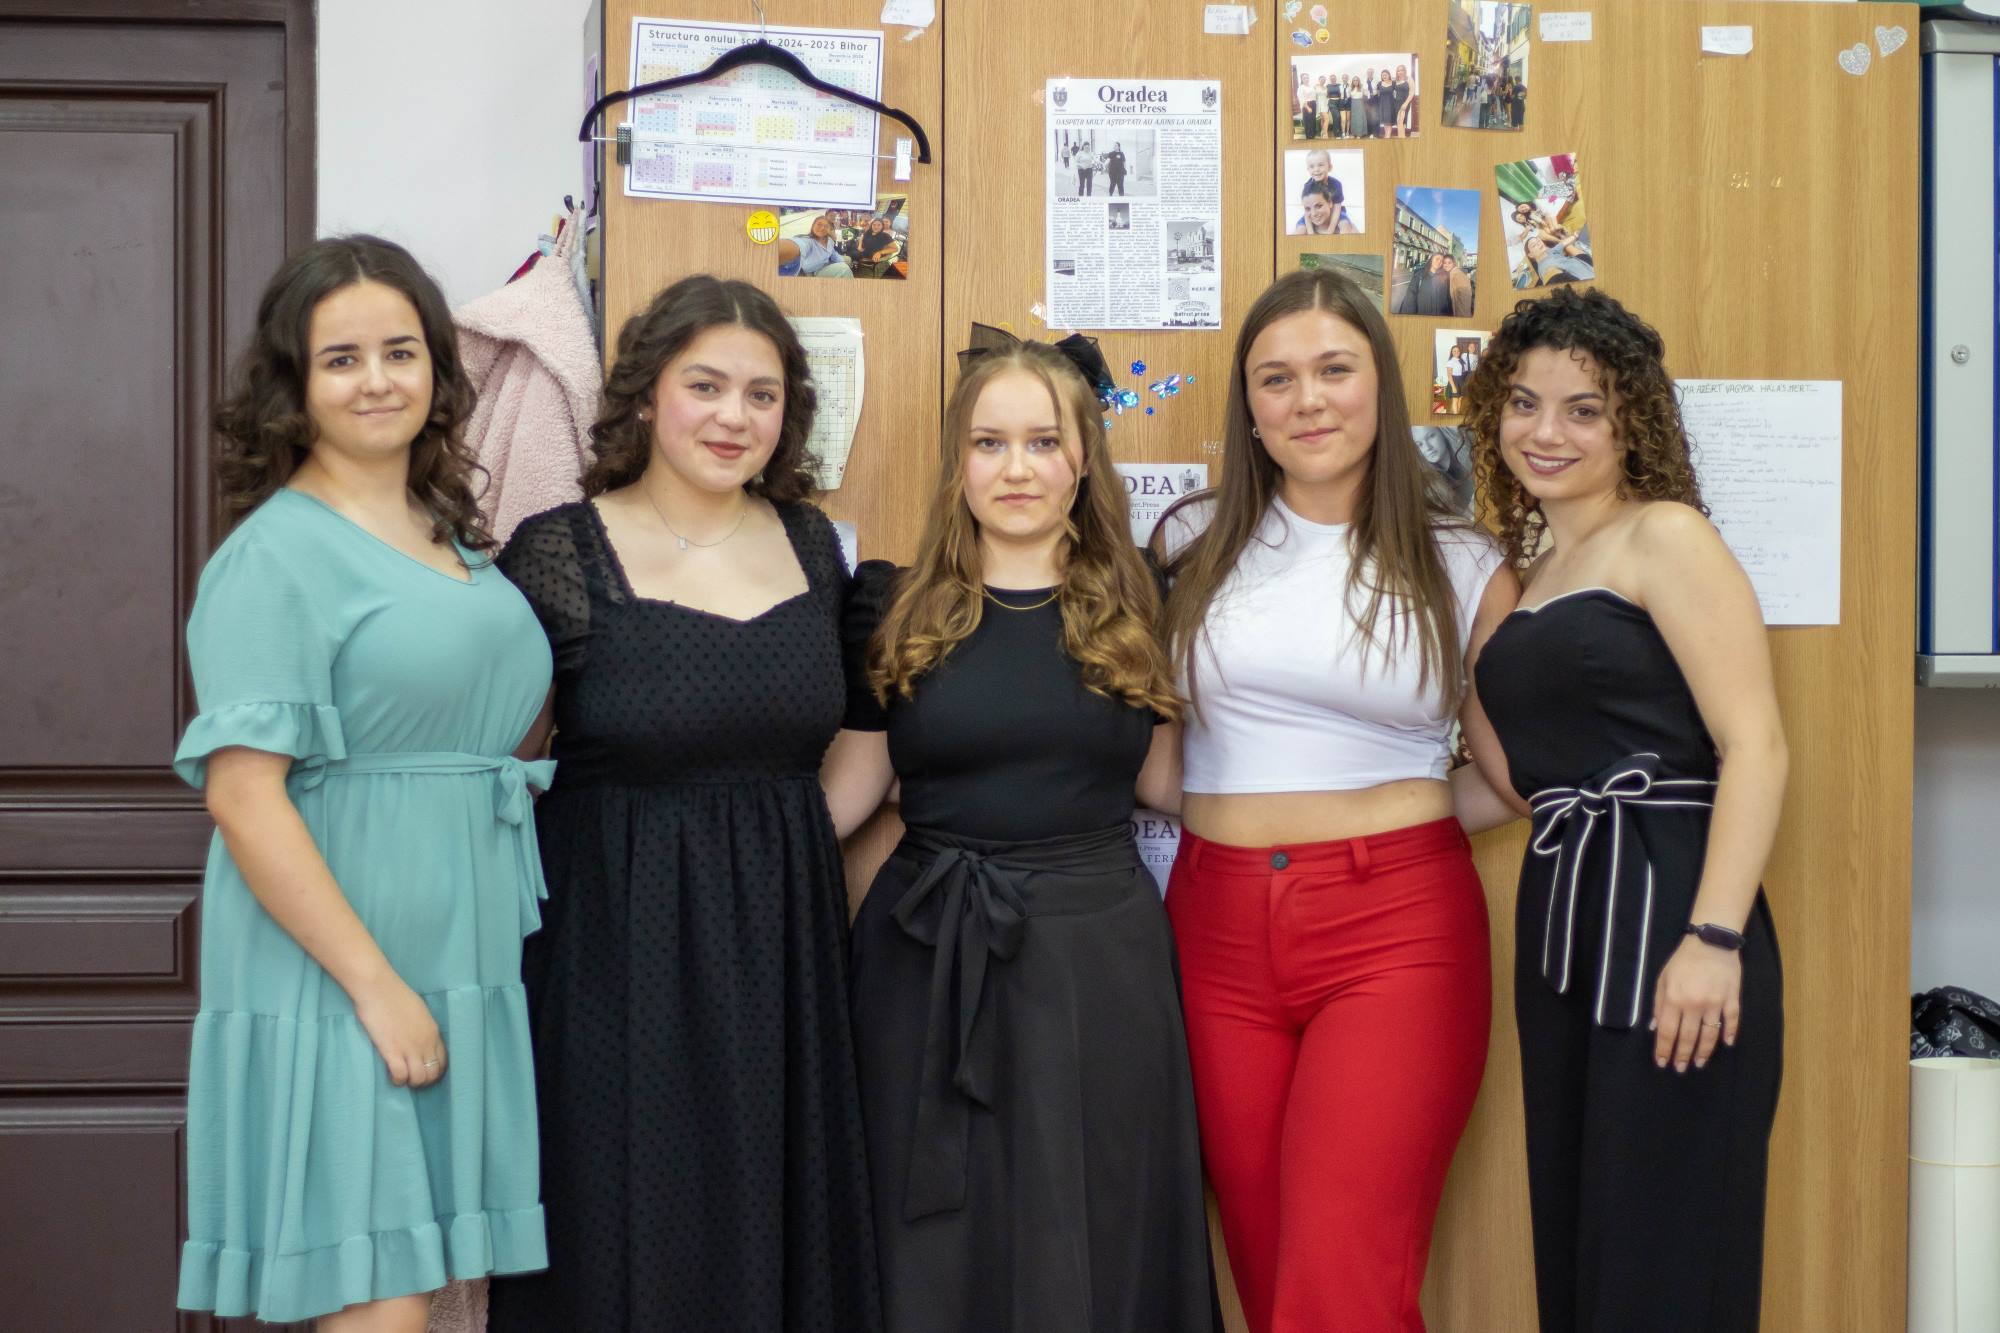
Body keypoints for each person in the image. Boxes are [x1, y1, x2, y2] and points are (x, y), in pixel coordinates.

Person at [487, 275, 880, 1331]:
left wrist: (778, 846)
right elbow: (503, 769)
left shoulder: (814, 548)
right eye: (704, 385)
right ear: (647, 394)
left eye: (762, 394)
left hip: (782, 949)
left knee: (770, 1220)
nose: (732, 416)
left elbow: (858, 742)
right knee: (623, 1223)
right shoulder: (557, 553)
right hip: (610, 948)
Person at [173, 235, 553, 1330]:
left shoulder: (452, 536)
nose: (377, 379)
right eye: (341, 359)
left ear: (436, 365)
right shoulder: (275, 556)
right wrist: (375, 987)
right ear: (294, 385)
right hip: (343, 970)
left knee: (418, 1292)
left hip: (459, 953)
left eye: (400, 351)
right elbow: (243, 796)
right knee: (378, 1297)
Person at [825, 327, 1215, 1333]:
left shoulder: (1140, 598)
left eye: (1042, 442)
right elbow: (848, 794)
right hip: (923, 960)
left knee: (1091, 1227)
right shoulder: (891, 605)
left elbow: (1169, 784)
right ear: (957, 461)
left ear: (1082, 459)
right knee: (932, 1241)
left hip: (1098, 965)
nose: (1016, 468)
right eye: (989, 443)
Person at [1153, 268, 1517, 1333]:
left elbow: (1512, 776)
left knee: (1338, 1290)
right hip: (1213, 925)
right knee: (1272, 1277)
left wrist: (1395, 821)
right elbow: (1155, 761)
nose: (1306, 399)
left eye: (1333, 369)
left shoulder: (1462, 560)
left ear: (1379, 387)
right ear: (1249, 408)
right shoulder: (1189, 542)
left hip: (1395, 931)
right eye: (1276, 379)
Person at [1457, 287, 1786, 1333]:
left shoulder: (1664, 536)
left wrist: (1713, 938)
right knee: (1581, 1233)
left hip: (1672, 906)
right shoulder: (1531, 574)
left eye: (1582, 409)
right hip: (1564, 921)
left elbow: (1756, 745)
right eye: (1523, 402)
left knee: (1663, 1241)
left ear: (1630, 423)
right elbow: (1516, 785)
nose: (1545, 431)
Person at [1293, 175, 1359, 236]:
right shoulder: (1303, 226)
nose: (1313, 213)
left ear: (1330, 203)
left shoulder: (1346, 226)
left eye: (1319, 206)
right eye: (1307, 209)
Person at [1347, 75, 1370, 140]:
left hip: (1360, 104)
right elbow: (1348, 96)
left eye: (1356, 80)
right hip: (1353, 104)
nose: (1355, 81)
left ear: (1358, 81)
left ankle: (1359, 134)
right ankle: (1354, 133)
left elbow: (1367, 94)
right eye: (1354, 80)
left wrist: (1366, 89)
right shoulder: (1351, 89)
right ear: (1352, 82)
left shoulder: (1362, 88)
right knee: (1354, 118)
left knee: (1359, 118)